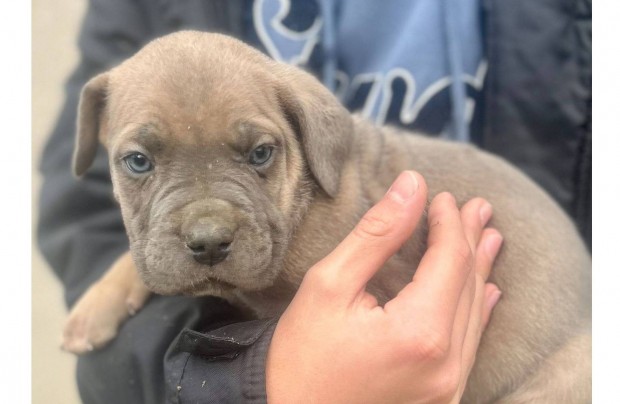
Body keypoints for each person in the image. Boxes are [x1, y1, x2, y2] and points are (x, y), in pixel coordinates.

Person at [37, 0, 590, 402]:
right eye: (141, 162)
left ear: (311, 136)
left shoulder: (329, 214)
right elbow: (83, 219)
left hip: (545, 373)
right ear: (99, 132)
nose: (206, 228)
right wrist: (254, 380)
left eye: (257, 155)